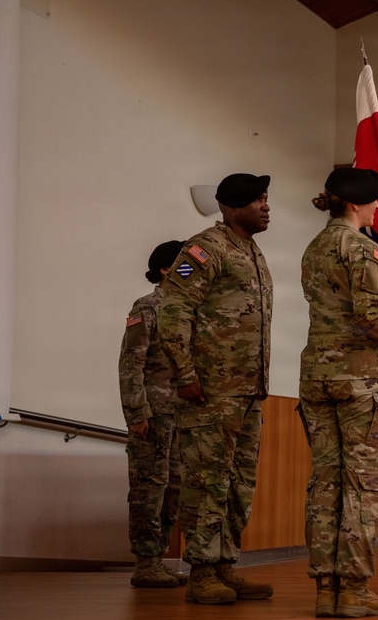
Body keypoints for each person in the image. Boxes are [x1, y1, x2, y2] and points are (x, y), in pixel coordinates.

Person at [299, 167, 378, 618]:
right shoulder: (360, 246)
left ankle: (326, 588)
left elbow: (342, 306)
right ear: (356, 204)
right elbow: (370, 316)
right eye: (373, 202)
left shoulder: (316, 246)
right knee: (363, 484)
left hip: (318, 377)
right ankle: (353, 589)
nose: (377, 209)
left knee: (326, 483)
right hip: (362, 381)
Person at [157, 172, 274, 605]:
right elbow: (174, 310)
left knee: (239, 484)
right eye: (258, 199)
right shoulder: (205, 248)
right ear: (232, 206)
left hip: (248, 391)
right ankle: (202, 572)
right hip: (211, 390)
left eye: (266, 198)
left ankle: (225, 566)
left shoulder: (252, 251)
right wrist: (185, 373)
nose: (266, 206)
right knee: (206, 481)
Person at [119, 239, 187, 588]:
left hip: (182, 416)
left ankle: (159, 557)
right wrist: (136, 412)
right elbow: (131, 364)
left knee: (173, 488)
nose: (192, 269)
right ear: (165, 269)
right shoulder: (147, 307)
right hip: (153, 414)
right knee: (149, 487)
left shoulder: (190, 309)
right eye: (184, 263)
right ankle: (145, 562)